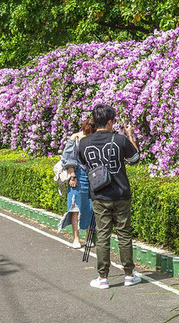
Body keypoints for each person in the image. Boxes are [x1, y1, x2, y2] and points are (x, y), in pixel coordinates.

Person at [78, 104, 141, 290]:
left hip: (99, 195)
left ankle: (103, 278)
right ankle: (129, 274)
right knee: (124, 234)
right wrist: (130, 135)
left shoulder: (84, 143)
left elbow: (83, 163)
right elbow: (135, 159)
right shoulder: (119, 140)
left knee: (103, 235)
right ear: (109, 121)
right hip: (121, 194)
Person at [59, 118, 95, 248]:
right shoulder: (76, 138)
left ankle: (89, 236)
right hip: (78, 174)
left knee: (91, 207)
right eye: (88, 132)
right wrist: (72, 175)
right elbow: (68, 158)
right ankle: (76, 238)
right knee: (75, 207)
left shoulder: (95, 137)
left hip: (92, 175)